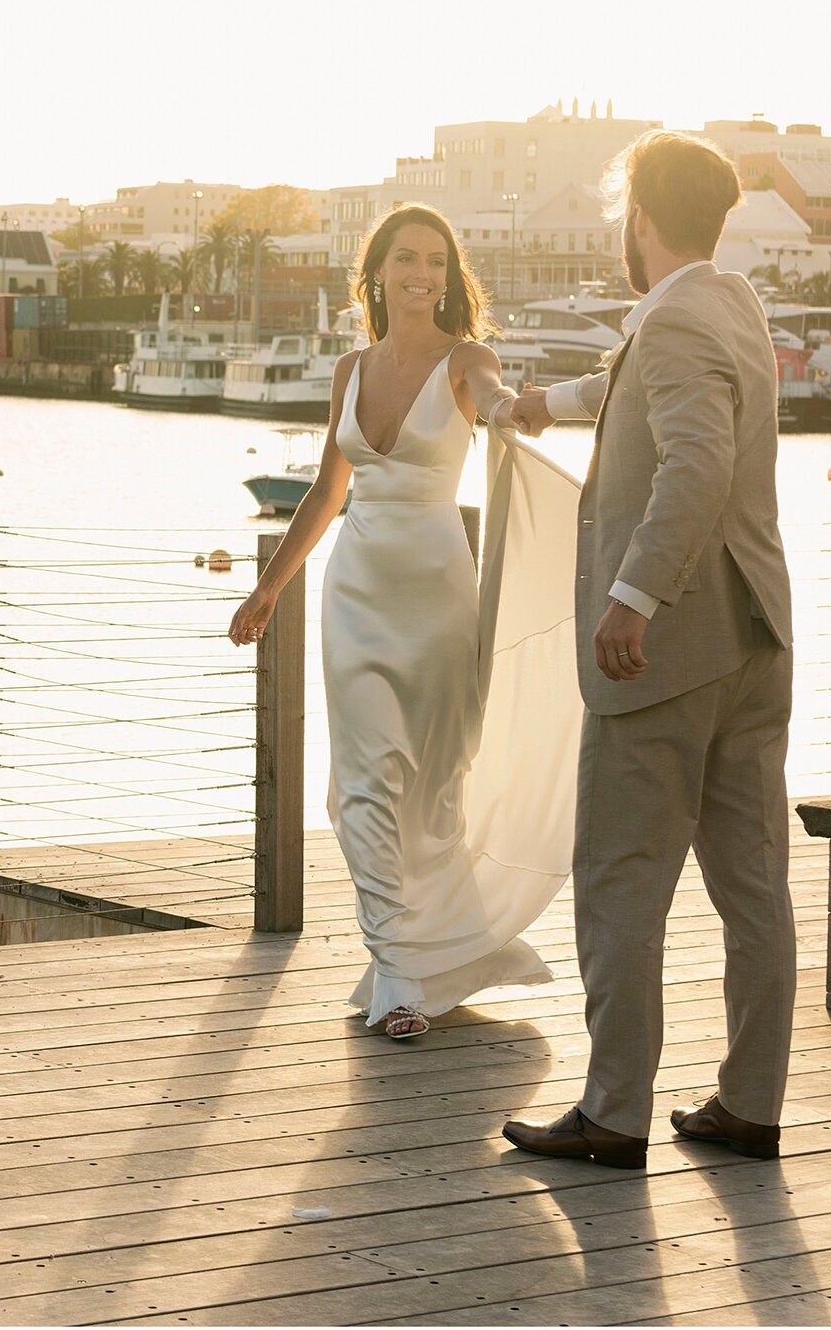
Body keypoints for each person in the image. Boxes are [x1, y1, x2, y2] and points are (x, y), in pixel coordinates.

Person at [499, 130, 797, 1169]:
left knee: (618, 879)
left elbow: (695, 462)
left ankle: (614, 1111)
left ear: (637, 217)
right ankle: (748, 1102)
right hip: (753, 634)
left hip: (665, 650)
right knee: (751, 882)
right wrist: (545, 404)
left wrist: (630, 597)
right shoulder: (726, 303)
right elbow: (643, 388)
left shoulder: (668, 320)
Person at [229, 204, 580, 1041]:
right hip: (355, 594)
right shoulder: (348, 370)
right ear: (376, 272)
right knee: (363, 784)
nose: (420, 273)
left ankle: (437, 950)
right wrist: (271, 588)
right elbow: (326, 492)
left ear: (448, 278)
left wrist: (507, 411)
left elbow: (493, 402)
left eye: (435, 260)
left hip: (438, 603)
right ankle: (395, 973)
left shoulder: (469, 360)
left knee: (430, 790)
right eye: (404, 259)